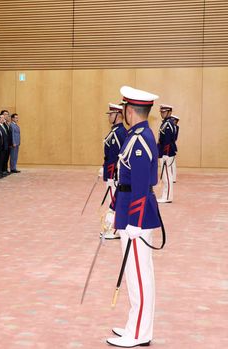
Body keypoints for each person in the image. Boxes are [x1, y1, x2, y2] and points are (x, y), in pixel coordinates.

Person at [106, 86, 162, 348]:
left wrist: (134, 222)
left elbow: (139, 184)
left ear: (129, 110)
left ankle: (140, 332)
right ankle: (135, 324)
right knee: (136, 273)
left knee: (139, 274)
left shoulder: (140, 139)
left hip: (136, 217)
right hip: (129, 211)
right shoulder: (136, 134)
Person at [100, 104, 127, 240]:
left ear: (118, 115)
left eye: (111, 114)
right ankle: (111, 227)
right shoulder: (115, 131)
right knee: (113, 202)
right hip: (111, 172)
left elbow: (117, 156)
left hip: (115, 174)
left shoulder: (119, 133)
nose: (109, 116)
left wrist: (110, 174)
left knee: (115, 202)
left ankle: (115, 229)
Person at [157, 104, 176, 203]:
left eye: (164, 112)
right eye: (161, 112)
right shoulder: (165, 123)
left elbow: (168, 141)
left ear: (169, 112)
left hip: (167, 153)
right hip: (164, 152)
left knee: (167, 176)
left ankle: (168, 197)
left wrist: (166, 154)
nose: (162, 114)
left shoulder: (168, 124)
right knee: (165, 176)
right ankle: (165, 195)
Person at [171, 115, 180, 183]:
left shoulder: (175, 127)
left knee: (172, 163)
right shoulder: (174, 127)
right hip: (171, 147)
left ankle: (173, 178)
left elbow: (174, 138)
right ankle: (172, 177)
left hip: (172, 147)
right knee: (171, 163)